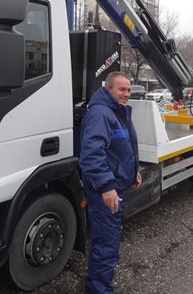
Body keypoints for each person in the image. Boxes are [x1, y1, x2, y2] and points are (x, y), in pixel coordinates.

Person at [79, 71, 142, 294]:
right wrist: (106, 187)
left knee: (108, 242)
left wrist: (133, 170)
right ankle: (99, 290)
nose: (126, 93)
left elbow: (120, 147)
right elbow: (91, 156)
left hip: (116, 187)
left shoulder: (117, 111)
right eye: (121, 89)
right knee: (106, 246)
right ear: (109, 89)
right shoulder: (101, 114)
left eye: (129, 89)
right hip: (106, 192)